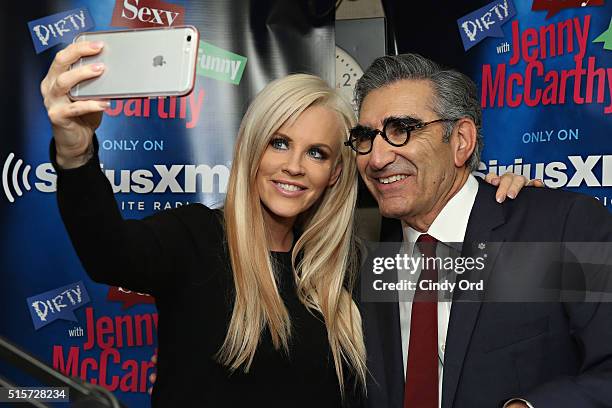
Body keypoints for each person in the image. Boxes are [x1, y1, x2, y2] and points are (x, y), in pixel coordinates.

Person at [41, 41, 534, 407]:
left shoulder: (354, 267)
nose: (294, 165)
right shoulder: (194, 239)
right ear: (252, 147)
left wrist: (495, 202)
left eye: (316, 153)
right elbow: (105, 251)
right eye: (279, 143)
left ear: (335, 173)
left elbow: (486, 284)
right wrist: (75, 150)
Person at [350, 53, 612, 408]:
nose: (377, 158)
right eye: (365, 137)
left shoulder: (562, 227)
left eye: (402, 131)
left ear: (461, 140)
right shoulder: (364, 266)